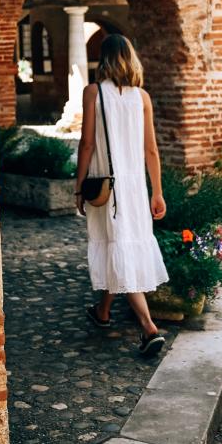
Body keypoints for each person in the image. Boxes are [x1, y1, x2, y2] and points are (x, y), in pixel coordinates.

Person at [75, 34, 169, 358]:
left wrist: (78, 185)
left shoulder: (93, 93)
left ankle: (149, 328)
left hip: (107, 188)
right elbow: (151, 150)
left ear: (103, 59)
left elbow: (86, 144)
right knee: (122, 244)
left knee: (118, 246)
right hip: (134, 189)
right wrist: (156, 192)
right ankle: (102, 311)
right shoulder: (142, 97)